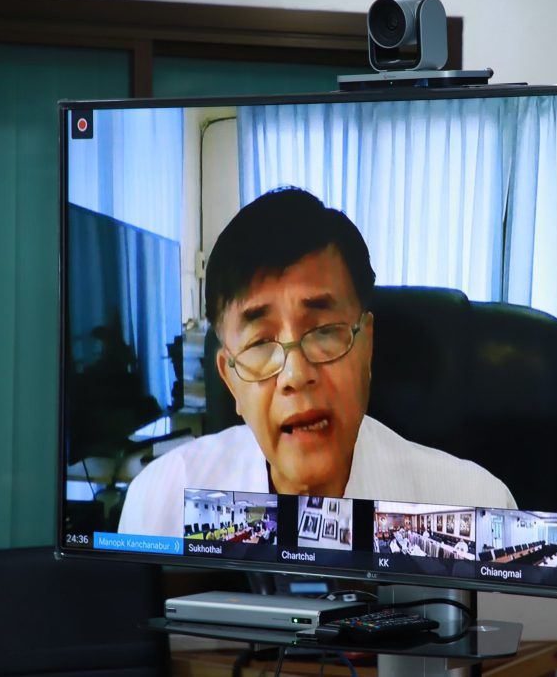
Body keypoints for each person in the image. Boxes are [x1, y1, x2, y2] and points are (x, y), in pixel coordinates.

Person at [119, 188, 516, 537]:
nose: (295, 375)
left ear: (367, 345)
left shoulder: (477, 509)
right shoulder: (163, 503)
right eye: (260, 342)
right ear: (229, 379)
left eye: (324, 331)